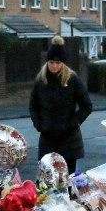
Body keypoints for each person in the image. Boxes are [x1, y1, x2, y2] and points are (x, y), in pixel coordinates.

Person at [29, 35, 93, 173]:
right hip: (47, 139)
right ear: (47, 62)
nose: (54, 66)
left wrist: (72, 123)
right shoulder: (41, 81)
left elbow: (87, 106)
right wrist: (39, 124)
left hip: (69, 140)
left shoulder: (73, 80)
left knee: (67, 183)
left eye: (58, 63)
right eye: (51, 62)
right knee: (46, 181)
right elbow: (33, 106)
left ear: (63, 63)